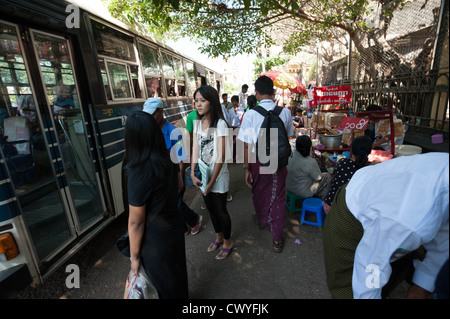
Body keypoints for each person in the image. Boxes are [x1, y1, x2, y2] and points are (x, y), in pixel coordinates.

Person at [322, 152, 449, 299]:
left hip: (382, 205)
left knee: (395, 265)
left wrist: (422, 285)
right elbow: (371, 264)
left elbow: (444, 240)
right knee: (349, 288)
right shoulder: (408, 219)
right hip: (353, 208)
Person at [124, 111, 188, 299]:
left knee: (160, 284)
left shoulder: (138, 172)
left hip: (155, 239)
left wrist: (134, 258)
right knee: (177, 276)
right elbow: (179, 186)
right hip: (174, 227)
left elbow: (136, 222)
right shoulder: (169, 158)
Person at [237, 75, 294, 253]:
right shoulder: (285, 112)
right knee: (278, 197)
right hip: (279, 159)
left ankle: (263, 220)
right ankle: (276, 239)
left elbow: (245, 145)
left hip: (256, 159)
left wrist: (246, 168)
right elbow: (289, 136)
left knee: (259, 191)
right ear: (273, 91)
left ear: (256, 93)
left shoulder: (250, 115)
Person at [143, 98, 203, 236]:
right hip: (160, 175)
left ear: (160, 112)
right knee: (170, 204)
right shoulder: (151, 130)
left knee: (176, 203)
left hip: (174, 174)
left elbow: (181, 158)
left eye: (152, 114)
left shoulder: (173, 131)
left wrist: (179, 181)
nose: (150, 118)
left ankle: (194, 220)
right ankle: (182, 228)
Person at [190, 85, 234, 260]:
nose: (198, 104)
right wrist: (193, 172)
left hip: (219, 176)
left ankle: (228, 241)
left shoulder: (221, 124)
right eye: (196, 101)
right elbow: (194, 147)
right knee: (210, 209)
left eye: (202, 100)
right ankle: (218, 237)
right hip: (203, 174)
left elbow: (221, 155)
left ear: (212, 102)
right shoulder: (197, 123)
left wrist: (211, 182)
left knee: (221, 210)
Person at [322, 135, 373, 213]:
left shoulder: (343, 162)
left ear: (352, 150)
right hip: (347, 213)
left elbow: (333, 178)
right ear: (369, 152)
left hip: (329, 205)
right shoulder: (367, 171)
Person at [286, 135, 332, 200]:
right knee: (327, 176)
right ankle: (322, 199)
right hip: (303, 192)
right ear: (309, 147)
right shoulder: (311, 161)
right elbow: (319, 178)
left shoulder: (290, 155)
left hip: (288, 187)